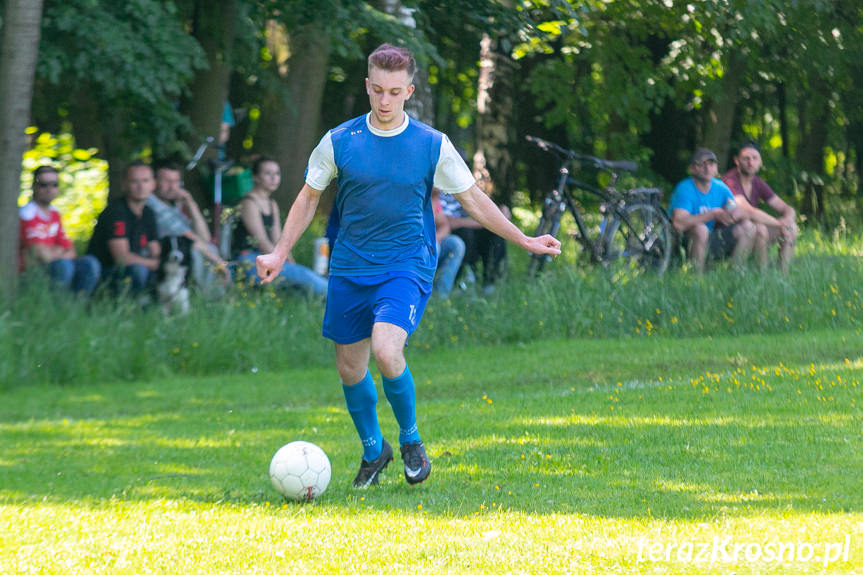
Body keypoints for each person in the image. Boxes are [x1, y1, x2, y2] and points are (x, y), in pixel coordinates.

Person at [256, 43, 560, 489]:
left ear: (408, 91)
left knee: (386, 349)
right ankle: (374, 451)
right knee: (349, 369)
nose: (384, 101)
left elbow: (473, 199)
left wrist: (525, 238)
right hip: (350, 267)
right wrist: (280, 252)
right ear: (367, 86)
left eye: (394, 92)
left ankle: (411, 440)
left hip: (407, 264)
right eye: (377, 90)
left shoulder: (431, 145)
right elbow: (308, 196)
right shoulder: (339, 141)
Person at [232, 157, 328, 297]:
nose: (273, 178)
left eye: (276, 174)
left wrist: (290, 262)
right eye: (267, 173)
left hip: (269, 259)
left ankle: (330, 298)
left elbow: (279, 240)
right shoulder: (248, 203)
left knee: (299, 284)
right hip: (248, 260)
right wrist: (283, 262)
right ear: (256, 177)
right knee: (301, 275)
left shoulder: (272, 204)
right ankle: (336, 294)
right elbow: (262, 241)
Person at [18, 165, 101, 296]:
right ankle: (58, 308)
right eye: (44, 184)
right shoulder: (27, 213)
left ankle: (76, 308)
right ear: (34, 186)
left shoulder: (55, 213)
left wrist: (53, 252)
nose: (49, 189)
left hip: (53, 265)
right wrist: (57, 251)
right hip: (29, 272)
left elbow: (71, 251)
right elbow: (40, 254)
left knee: (89, 263)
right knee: (64, 265)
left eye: (54, 184)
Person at [148, 160, 230, 291]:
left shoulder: (173, 206)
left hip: (176, 251)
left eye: (176, 182)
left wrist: (190, 203)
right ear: (154, 181)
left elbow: (204, 237)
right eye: (167, 181)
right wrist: (218, 262)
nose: (172, 187)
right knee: (199, 252)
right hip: (160, 255)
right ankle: (206, 297)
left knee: (208, 248)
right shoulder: (152, 203)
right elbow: (190, 238)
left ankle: (210, 297)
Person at [670, 148, 756, 272]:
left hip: (711, 238)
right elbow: (678, 223)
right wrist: (713, 214)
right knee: (701, 229)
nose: (707, 168)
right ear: (692, 169)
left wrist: (732, 214)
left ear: (716, 168)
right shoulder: (685, 189)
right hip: (682, 241)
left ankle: (736, 272)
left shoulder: (721, 188)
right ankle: (696, 276)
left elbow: (733, 207)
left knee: (748, 227)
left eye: (711, 164)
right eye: (701, 164)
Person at [87, 161, 161, 294]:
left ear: (153, 184)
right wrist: (158, 264)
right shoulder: (116, 212)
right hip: (106, 274)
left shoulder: (148, 213)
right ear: (124, 185)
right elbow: (122, 259)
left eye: (145, 181)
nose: (140, 187)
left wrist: (165, 264)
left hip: (135, 270)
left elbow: (156, 250)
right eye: (134, 182)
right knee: (139, 270)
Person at [722, 141, 797, 273]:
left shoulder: (757, 182)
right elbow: (748, 211)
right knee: (760, 228)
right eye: (746, 158)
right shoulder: (730, 180)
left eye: (755, 158)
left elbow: (786, 208)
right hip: (730, 234)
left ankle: (783, 275)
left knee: (792, 228)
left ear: (760, 161)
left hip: (750, 230)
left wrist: (788, 220)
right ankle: (760, 273)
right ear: (737, 161)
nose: (751, 162)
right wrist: (780, 224)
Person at [440, 153, 508, 295]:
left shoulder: (466, 187)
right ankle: (466, 276)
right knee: (466, 233)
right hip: (452, 231)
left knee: (494, 234)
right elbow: (447, 222)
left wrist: (500, 214)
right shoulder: (438, 189)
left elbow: (483, 207)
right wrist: (485, 222)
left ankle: (490, 281)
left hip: (469, 226)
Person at [432, 188, 465, 299]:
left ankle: (440, 296)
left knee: (456, 244)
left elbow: (445, 225)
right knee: (433, 247)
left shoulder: (434, 198)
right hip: (412, 246)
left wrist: (436, 238)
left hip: (432, 242)